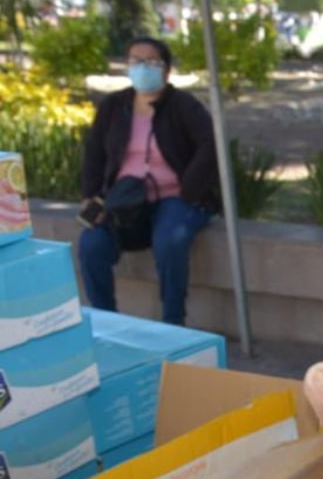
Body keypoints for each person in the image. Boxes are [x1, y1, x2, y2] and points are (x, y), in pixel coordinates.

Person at [78, 37, 219, 326]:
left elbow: (210, 146)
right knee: (91, 245)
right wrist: (91, 195)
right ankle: (106, 322)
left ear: (166, 70)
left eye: (151, 62)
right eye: (135, 61)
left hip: (175, 197)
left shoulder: (183, 106)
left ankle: (173, 322)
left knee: (170, 240)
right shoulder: (114, 106)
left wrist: (188, 192)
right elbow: (94, 152)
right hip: (124, 198)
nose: (142, 68)